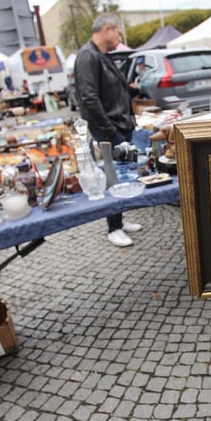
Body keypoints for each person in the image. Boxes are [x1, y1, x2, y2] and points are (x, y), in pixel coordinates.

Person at [74, 13, 143, 248]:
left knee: (120, 176)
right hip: (109, 130)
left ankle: (119, 219)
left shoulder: (100, 55)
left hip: (119, 126)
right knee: (112, 177)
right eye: (118, 32)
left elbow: (109, 91)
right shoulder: (88, 56)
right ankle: (113, 227)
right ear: (107, 29)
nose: (119, 37)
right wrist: (111, 132)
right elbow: (89, 98)